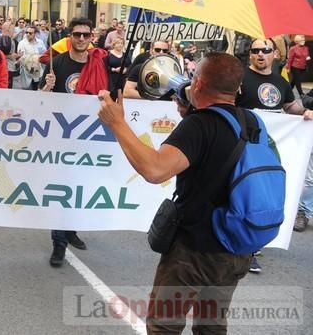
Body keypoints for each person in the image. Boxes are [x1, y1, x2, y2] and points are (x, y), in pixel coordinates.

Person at [98, 52, 254, 334]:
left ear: (199, 83)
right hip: (237, 246)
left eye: (193, 77)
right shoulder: (251, 122)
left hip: (195, 250)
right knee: (212, 326)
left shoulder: (200, 125)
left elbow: (155, 170)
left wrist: (117, 123)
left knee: (164, 326)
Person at [237, 37, 313, 272]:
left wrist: (307, 112)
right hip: (241, 147)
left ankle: (253, 242)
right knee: (243, 194)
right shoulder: (239, 78)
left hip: (267, 150)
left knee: (262, 195)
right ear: (249, 54)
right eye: (255, 50)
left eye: (265, 50)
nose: (260, 54)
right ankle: (246, 248)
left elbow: (291, 107)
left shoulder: (280, 82)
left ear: (275, 54)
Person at [40, 17, 106, 266]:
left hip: (88, 137)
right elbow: (38, 100)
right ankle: (59, 243)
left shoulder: (99, 63)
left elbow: (108, 95)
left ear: (91, 38)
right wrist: (47, 87)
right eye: (76, 34)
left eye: (85, 35)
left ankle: (71, 230)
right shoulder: (57, 64)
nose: (81, 39)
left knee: (81, 187)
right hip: (60, 137)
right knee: (62, 188)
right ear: (69, 37)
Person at [16, 25, 46, 90]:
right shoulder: (22, 43)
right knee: (26, 95)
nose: (28, 34)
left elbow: (44, 54)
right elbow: (22, 58)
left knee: (37, 93)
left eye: (30, 33)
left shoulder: (40, 42)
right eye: (26, 32)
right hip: (26, 74)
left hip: (38, 74)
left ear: (35, 34)